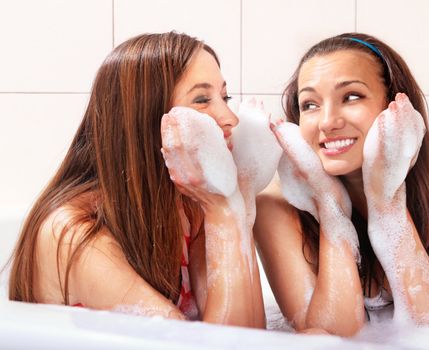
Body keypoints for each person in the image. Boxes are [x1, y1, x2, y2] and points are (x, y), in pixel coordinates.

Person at [8, 32, 265, 327]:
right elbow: (207, 347)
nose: (230, 116)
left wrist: (236, 205)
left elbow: (250, 334)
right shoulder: (73, 233)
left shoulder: (189, 204)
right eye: (202, 99)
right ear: (146, 116)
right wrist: (224, 209)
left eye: (224, 96)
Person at [254, 32, 429, 336]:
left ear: (393, 104)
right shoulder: (275, 206)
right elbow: (328, 335)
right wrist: (329, 206)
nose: (327, 122)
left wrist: (388, 201)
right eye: (310, 104)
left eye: (351, 97)